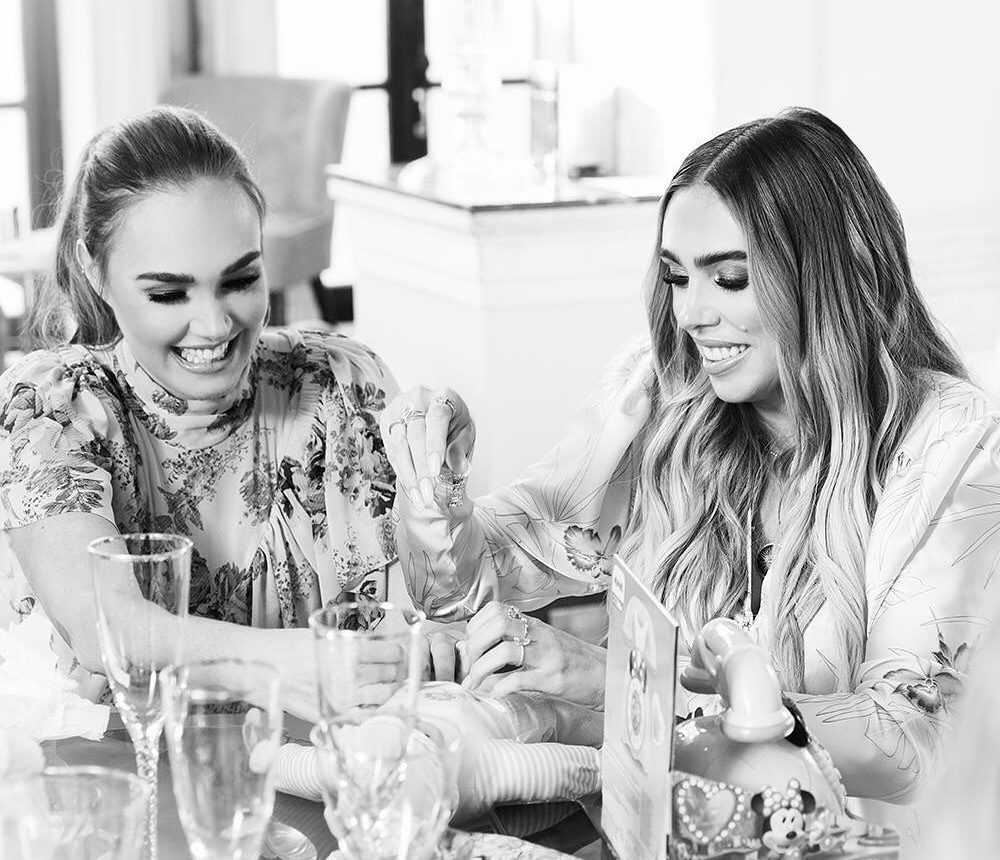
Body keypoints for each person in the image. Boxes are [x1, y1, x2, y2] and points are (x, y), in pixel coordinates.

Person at [381, 108, 1000, 806]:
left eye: (729, 278)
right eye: (677, 278)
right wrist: (435, 484)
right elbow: (476, 578)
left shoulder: (950, 443)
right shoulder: (665, 396)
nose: (691, 314)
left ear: (824, 276)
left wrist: (625, 685)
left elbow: (914, 740)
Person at [0, 107, 400, 718]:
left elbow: (409, 628)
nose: (215, 325)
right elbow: (108, 630)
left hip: (322, 763)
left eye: (240, 280)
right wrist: (282, 667)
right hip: (120, 768)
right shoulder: (51, 407)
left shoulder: (339, 384)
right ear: (94, 270)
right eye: (169, 293)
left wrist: (447, 519)